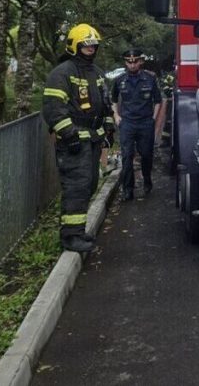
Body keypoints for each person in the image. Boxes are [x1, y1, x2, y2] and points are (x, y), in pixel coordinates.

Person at [41, 23, 115, 253]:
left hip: (92, 139)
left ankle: (78, 231)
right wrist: (68, 134)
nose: (91, 50)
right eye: (86, 46)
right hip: (74, 142)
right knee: (76, 187)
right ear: (74, 46)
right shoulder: (62, 73)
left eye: (94, 46)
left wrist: (109, 129)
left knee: (89, 184)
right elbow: (53, 109)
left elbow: (106, 105)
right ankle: (71, 237)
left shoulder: (98, 73)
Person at [111, 48, 162, 201]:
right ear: (125, 63)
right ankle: (128, 189)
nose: (132, 65)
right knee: (127, 156)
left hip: (145, 122)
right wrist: (116, 115)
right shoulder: (119, 80)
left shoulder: (150, 78)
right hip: (127, 123)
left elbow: (158, 101)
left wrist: (153, 118)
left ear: (140, 61)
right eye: (129, 62)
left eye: (135, 61)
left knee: (146, 154)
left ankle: (147, 178)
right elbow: (113, 100)